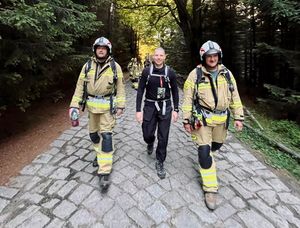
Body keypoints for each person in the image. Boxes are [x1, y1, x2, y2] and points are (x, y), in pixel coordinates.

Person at [182, 40, 244, 210]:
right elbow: (187, 98)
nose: (212, 59)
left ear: (219, 56)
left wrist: (239, 117)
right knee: (204, 152)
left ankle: (209, 157)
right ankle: (210, 188)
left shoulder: (227, 74)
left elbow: (235, 96)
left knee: (215, 146)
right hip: (202, 119)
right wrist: (186, 119)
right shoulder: (195, 75)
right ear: (204, 57)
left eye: (215, 55)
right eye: (209, 56)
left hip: (221, 121)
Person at [69, 37, 126, 191]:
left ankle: (104, 171)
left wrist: (121, 105)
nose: (101, 50)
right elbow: (80, 86)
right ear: (95, 50)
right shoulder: (87, 66)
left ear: (108, 50)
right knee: (94, 135)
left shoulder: (115, 67)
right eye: (98, 48)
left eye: (104, 48)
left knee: (106, 136)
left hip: (108, 109)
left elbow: (120, 88)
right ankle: (99, 154)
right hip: (91, 108)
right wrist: (74, 105)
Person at [136, 47, 179, 179]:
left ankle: (160, 161)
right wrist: (138, 110)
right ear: (153, 57)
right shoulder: (146, 72)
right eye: (156, 55)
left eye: (161, 55)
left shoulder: (170, 73)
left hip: (165, 106)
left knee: (163, 136)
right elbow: (140, 91)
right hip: (149, 105)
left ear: (165, 56)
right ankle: (150, 142)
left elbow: (175, 92)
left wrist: (176, 109)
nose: (159, 57)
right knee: (147, 133)